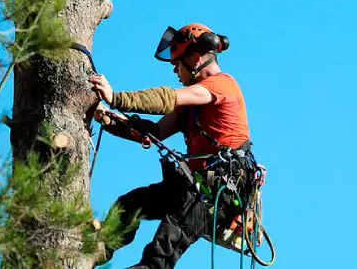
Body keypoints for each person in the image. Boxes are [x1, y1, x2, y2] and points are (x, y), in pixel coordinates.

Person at [89, 23, 255, 269]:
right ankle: (95, 249)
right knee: (130, 205)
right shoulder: (192, 107)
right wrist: (111, 120)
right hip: (193, 188)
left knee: (159, 257)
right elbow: (155, 132)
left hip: (213, 195)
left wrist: (117, 99)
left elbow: (168, 98)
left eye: (178, 63)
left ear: (196, 58)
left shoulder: (222, 86)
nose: (175, 70)